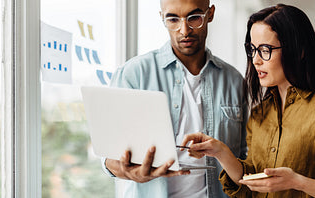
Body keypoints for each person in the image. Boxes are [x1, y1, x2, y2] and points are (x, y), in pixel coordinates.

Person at [180, 4, 315, 197]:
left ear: (299, 51)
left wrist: (297, 182)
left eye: (266, 49)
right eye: (253, 49)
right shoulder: (260, 114)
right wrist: (220, 152)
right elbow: (252, 183)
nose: (256, 60)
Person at [101, 0, 248, 197]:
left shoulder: (234, 81)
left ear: (210, 14)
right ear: (162, 18)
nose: (184, 30)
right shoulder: (133, 74)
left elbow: (246, 159)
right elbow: (108, 155)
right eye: (172, 19)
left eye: (194, 18)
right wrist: (130, 172)